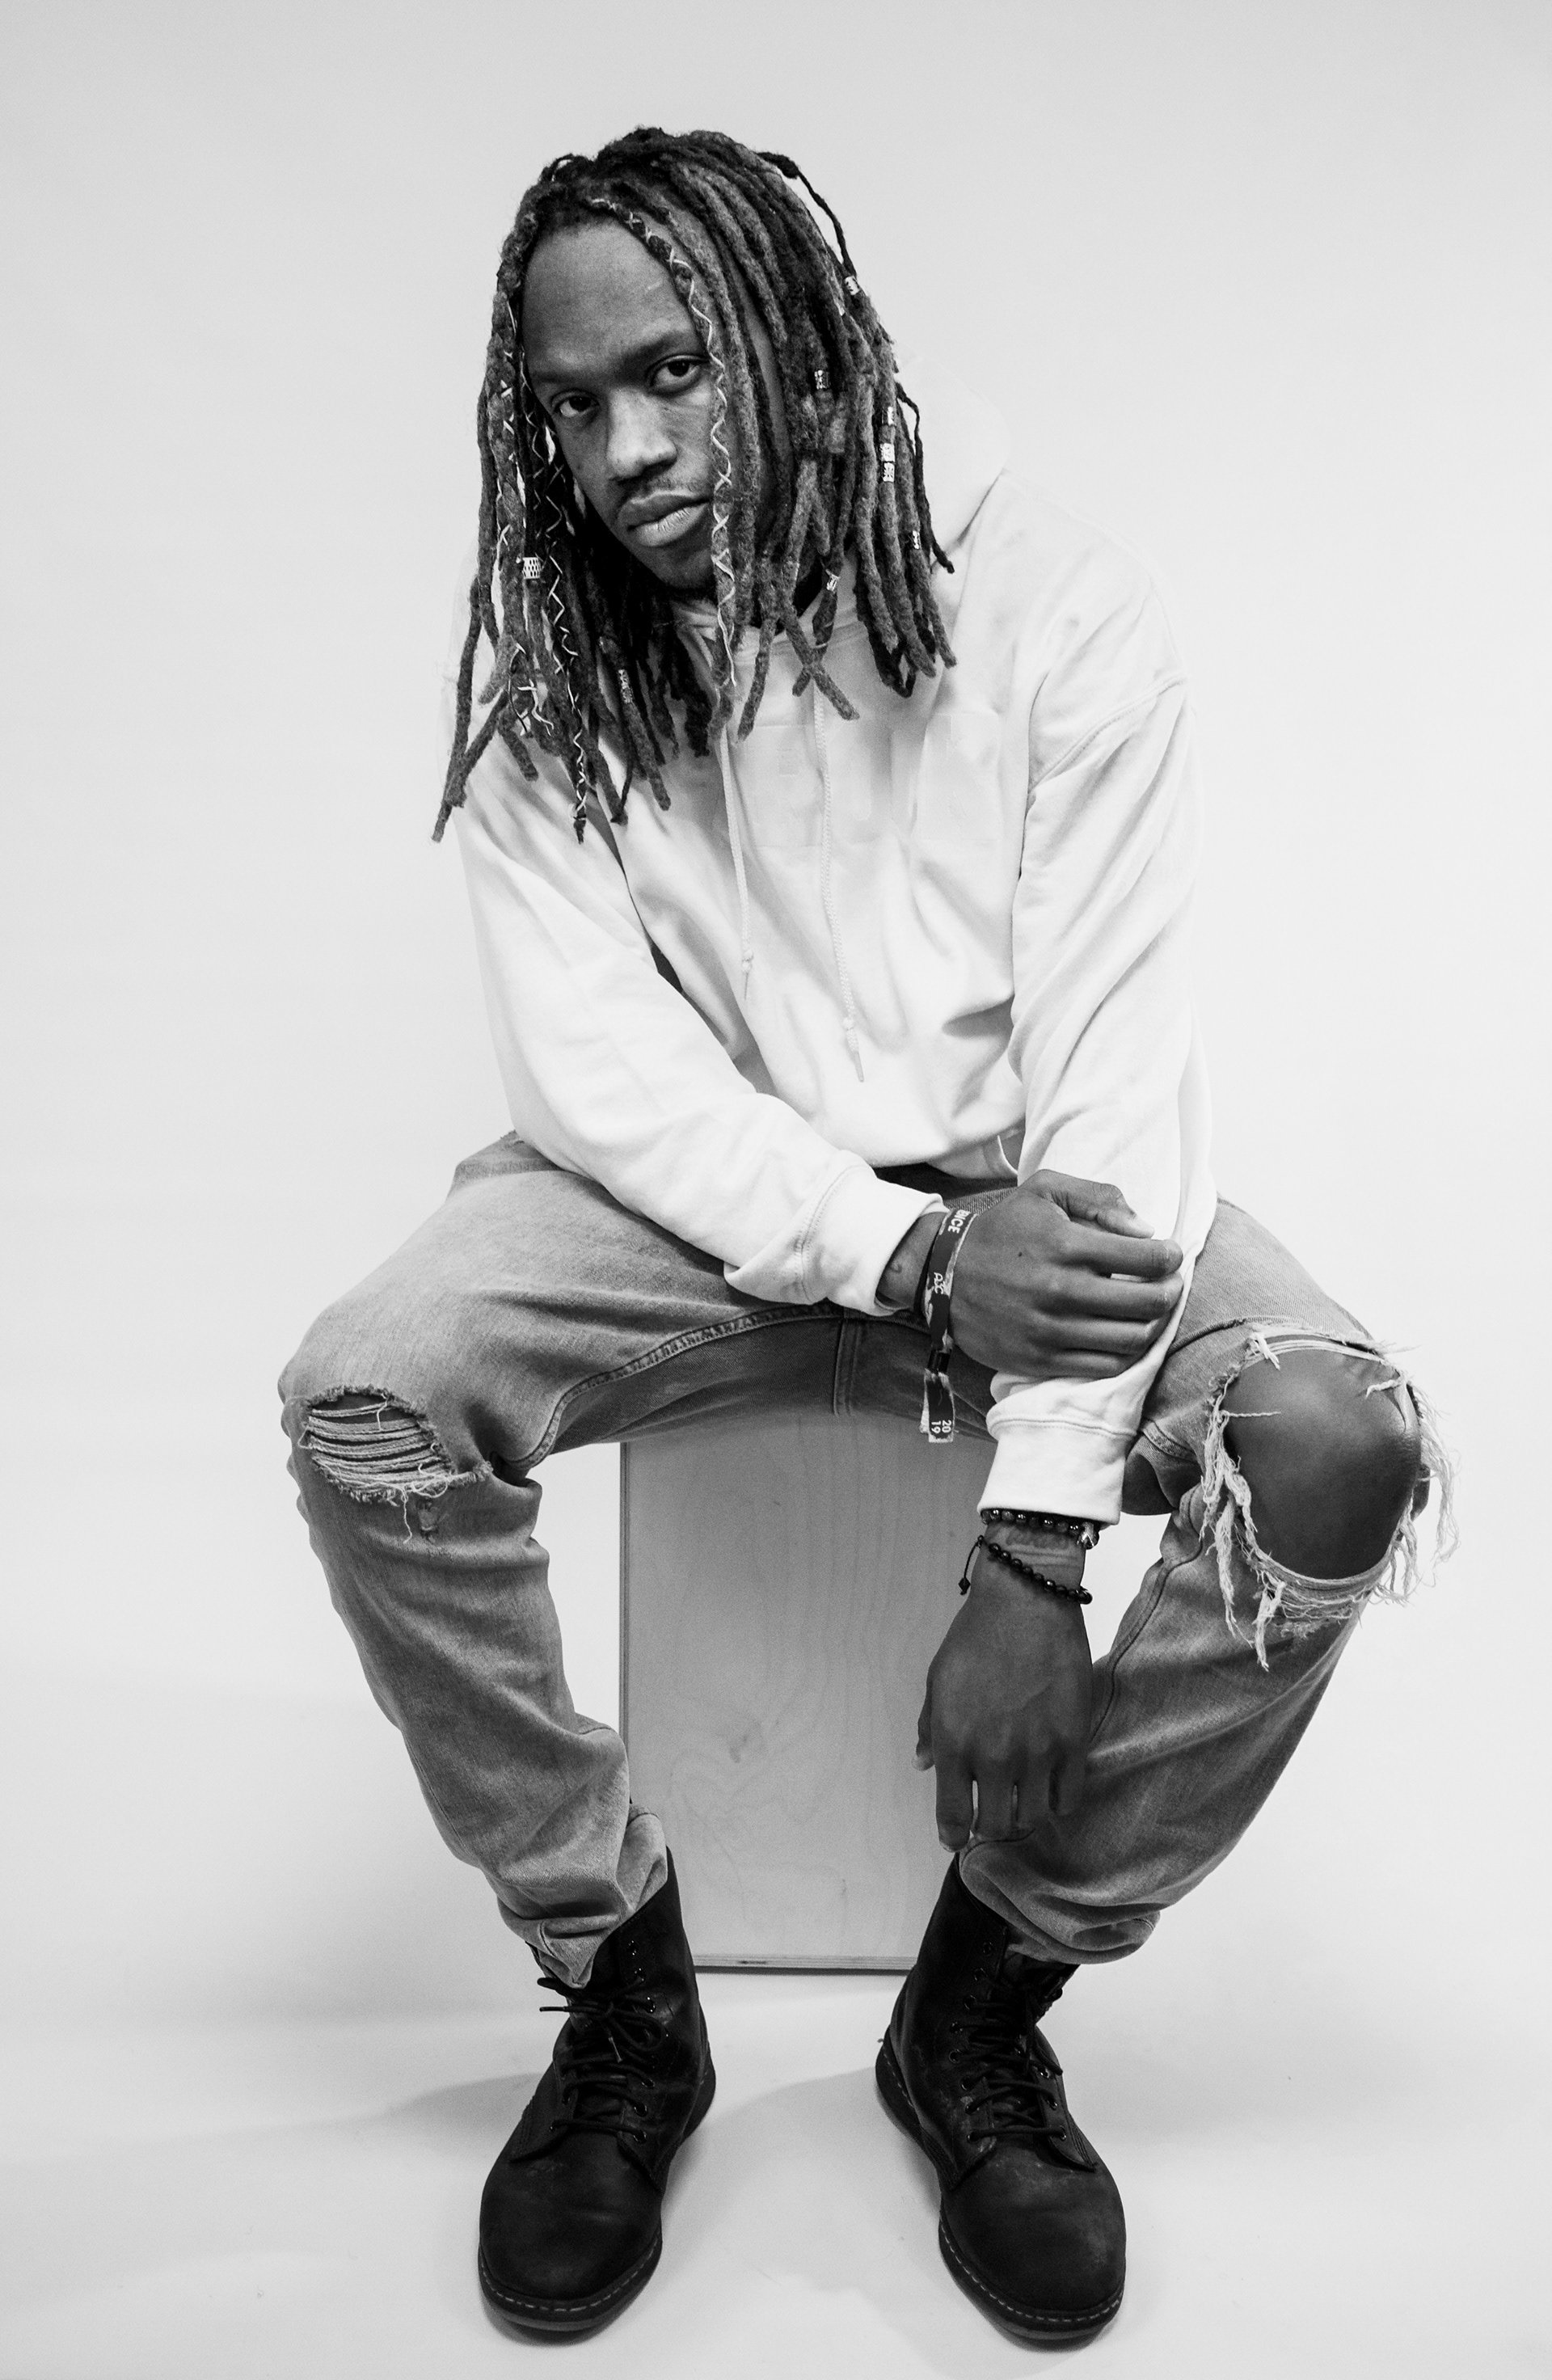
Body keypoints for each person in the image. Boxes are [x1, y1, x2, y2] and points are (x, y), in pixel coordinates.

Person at [279, 127, 1447, 2345]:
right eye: (573, 405)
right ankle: (620, 1988)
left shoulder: (1057, 605)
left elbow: (1114, 1093)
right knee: (363, 1399)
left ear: (797, 342)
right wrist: (902, 1262)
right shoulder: (562, 680)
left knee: (1332, 1451)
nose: (623, 450)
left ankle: (986, 2002)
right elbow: (600, 1089)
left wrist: (1034, 1549)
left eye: (673, 374)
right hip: (700, 1211)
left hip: (1039, 1190)